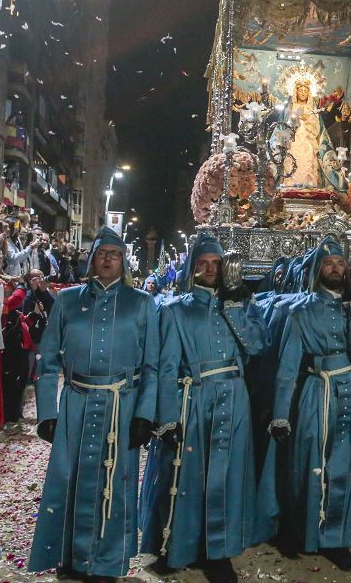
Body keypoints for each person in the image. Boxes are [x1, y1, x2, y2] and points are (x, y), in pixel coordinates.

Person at [28, 227, 160, 581]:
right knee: (67, 478)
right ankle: (68, 556)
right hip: (76, 404)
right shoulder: (68, 300)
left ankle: (106, 563)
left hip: (123, 405)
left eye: (114, 254)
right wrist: (48, 413)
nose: (107, 259)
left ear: (122, 261)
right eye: (102, 253)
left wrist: (145, 415)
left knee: (115, 482)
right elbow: (47, 359)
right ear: (92, 259)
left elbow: (152, 366)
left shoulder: (143, 304)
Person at [139, 235, 271, 576]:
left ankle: (218, 551)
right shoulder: (174, 310)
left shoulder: (243, 306)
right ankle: (176, 546)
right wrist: (166, 418)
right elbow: (165, 368)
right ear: (193, 267)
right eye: (204, 264)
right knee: (184, 474)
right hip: (191, 399)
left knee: (226, 475)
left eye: (217, 264)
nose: (211, 270)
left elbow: (257, 347)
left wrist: (234, 308)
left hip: (233, 398)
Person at [269, 236, 351, 572]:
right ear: (318, 269)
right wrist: (280, 415)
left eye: (341, 263)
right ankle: (302, 530)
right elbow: (288, 367)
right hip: (318, 390)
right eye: (329, 263)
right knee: (310, 458)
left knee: (348, 463)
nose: (336, 269)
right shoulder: (300, 312)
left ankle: (338, 538)